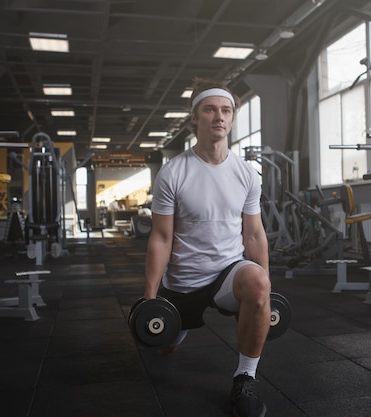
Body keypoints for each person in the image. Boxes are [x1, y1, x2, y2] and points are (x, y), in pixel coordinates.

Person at [143, 77, 271, 417]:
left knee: (257, 284)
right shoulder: (173, 173)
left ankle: (245, 377)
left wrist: (267, 287)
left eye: (226, 110)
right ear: (194, 119)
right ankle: (178, 330)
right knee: (162, 347)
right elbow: (161, 237)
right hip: (184, 279)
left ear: (231, 118)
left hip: (229, 273)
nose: (219, 116)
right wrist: (150, 296)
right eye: (210, 110)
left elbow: (254, 235)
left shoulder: (247, 174)